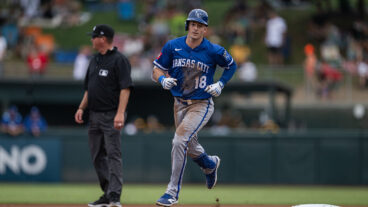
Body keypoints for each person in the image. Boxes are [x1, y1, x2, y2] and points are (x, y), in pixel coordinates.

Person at [152, 9, 237, 206]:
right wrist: (163, 79)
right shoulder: (173, 46)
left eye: (200, 25)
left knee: (179, 140)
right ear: (188, 26)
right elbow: (156, 69)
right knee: (188, 146)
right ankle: (209, 164)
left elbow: (231, 65)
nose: (196, 28)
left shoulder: (213, 50)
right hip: (179, 103)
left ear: (205, 29)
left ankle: (171, 192)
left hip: (201, 104)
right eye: (193, 24)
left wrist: (220, 83)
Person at [74, 24, 133, 207]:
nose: (91, 39)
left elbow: (125, 88)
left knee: (113, 155)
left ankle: (115, 196)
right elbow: (89, 89)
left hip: (110, 115)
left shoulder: (119, 60)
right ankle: (108, 193)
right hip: (93, 115)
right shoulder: (94, 60)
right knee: (97, 156)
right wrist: (81, 108)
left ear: (102, 38)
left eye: (93, 36)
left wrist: (120, 113)